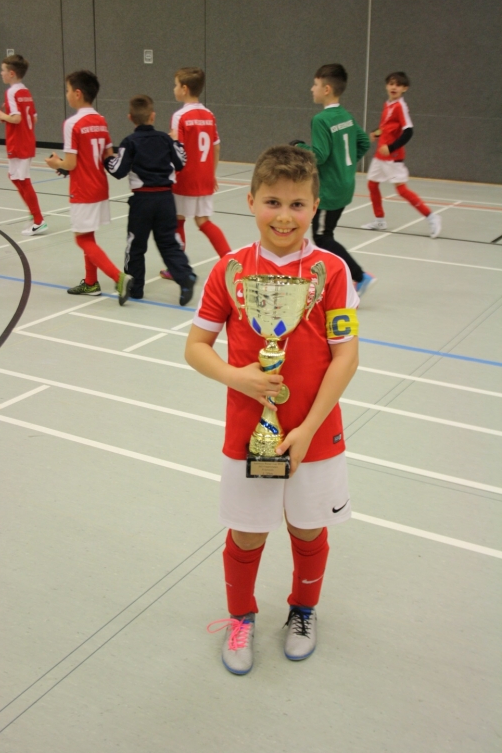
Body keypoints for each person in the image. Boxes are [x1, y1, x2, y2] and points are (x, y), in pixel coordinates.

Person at [185, 145, 359, 675]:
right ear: (251, 201)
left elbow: (346, 356)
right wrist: (236, 376)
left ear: (315, 206)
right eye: (273, 202)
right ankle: (241, 618)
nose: (284, 216)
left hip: (316, 432)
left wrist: (307, 429)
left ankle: (303, 611)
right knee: (247, 532)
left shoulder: (332, 271)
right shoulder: (230, 269)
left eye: (297, 204)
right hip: (249, 431)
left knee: (308, 529)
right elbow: (196, 347)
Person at [45, 70, 133, 305]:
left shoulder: (72, 123)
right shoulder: (101, 120)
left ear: (77, 93)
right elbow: (108, 155)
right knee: (88, 234)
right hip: (100, 187)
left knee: (81, 239)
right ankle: (91, 283)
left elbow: (71, 163)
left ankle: (118, 278)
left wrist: (57, 163)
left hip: (82, 189)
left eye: (67, 90)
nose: (66, 95)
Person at [104, 95, 197, 306]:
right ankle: (185, 277)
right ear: (153, 116)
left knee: (135, 245)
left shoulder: (129, 142)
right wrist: (176, 142)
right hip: (166, 199)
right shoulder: (165, 139)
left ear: (130, 118)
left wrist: (107, 158)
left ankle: (135, 288)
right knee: (168, 243)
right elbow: (181, 162)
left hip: (142, 201)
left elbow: (118, 171)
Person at [292, 63, 375, 297]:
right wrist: (345, 166)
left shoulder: (321, 119)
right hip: (345, 186)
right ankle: (323, 277)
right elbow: (364, 142)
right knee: (323, 233)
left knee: (322, 236)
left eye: (315, 84)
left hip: (329, 191)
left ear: (326, 89)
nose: (312, 89)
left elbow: (319, 155)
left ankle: (360, 276)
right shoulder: (346, 116)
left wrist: (299, 147)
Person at [160, 66, 230, 280]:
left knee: (177, 220)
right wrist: (211, 174)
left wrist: (169, 142)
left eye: (175, 85)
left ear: (184, 89)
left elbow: (178, 150)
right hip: (205, 177)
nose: (173, 89)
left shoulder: (179, 116)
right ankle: (230, 261)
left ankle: (177, 268)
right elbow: (216, 147)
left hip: (184, 177)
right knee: (203, 221)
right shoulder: (209, 115)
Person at [362, 71, 442, 238]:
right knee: (372, 184)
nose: (394, 87)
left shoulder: (400, 107)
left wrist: (391, 147)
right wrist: (376, 133)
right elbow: (386, 127)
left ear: (404, 88)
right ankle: (379, 220)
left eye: (398, 85)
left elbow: (408, 131)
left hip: (393, 157)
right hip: (380, 155)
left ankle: (431, 217)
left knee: (402, 190)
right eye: (391, 84)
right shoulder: (388, 104)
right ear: (386, 86)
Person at [0, 54, 47, 236]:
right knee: (15, 177)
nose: (1, 73)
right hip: (27, 139)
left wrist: (2, 115)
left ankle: (39, 220)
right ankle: (33, 213)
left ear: (11, 73)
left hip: (18, 141)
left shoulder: (11, 92)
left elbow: (16, 118)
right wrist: (8, 117)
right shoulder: (25, 91)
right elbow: (34, 118)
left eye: (3, 70)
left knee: (22, 179)